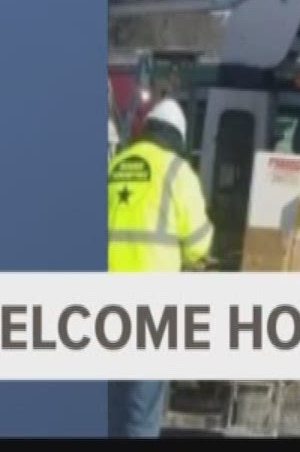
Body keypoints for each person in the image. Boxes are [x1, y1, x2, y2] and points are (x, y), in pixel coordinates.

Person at [106, 97, 214, 439]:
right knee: (141, 410)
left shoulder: (117, 165)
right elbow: (199, 243)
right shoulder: (178, 173)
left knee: (110, 406)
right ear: (178, 137)